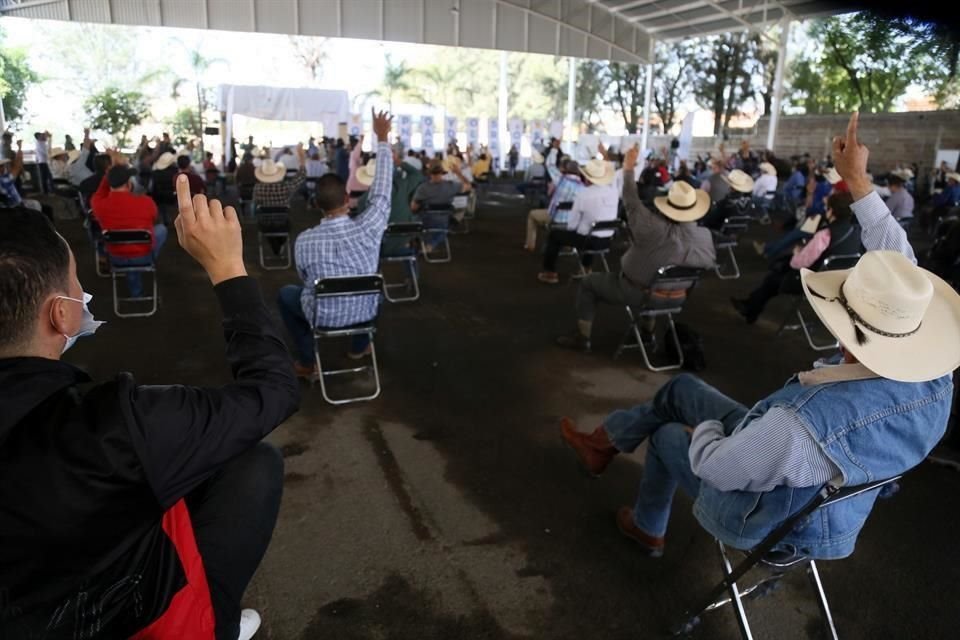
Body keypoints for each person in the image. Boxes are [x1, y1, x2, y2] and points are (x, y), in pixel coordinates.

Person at [0, 179, 300, 640]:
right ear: (60, 314)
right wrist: (226, 267)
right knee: (255, 459)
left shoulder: (101, 200)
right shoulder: (117, 424)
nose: (82, 292)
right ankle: (214, 625)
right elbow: (274, 390)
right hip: (127, 615)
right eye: (76, 281)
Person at [554, 147, 715, 351]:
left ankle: (582, 336)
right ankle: (647, 334)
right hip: (678, 298)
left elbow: (631, 200)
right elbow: (707, 265)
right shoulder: (705, 237)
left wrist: (628, 168)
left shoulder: (651, 227)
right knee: (655, 281)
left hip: (638, 292)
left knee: (588, 283)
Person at [277, 109, 394, 375]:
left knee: (286, 294)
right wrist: (382, 138)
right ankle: (359, 346)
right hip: (364, 311)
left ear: (316, 204)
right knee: (376, 290)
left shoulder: (305, 241)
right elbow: (384, 188)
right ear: (346, 200)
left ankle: (308, 362)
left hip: (321, 317)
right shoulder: (370, 226)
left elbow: (305, 278)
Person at [731, 191, 861, 323]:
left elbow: (798, 263)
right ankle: (750, 307)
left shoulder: (825, 234)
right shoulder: (857, 231)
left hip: (814, 282)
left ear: (832, 211)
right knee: (775, 276)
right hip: (838, 284)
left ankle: (750, 309)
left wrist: (797, 253)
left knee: (774, 278)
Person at [91, 149, 168, 295]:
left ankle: (135, 285)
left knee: (130, 240)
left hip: (115, 257)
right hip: (143, 256)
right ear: (128, 183)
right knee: (161, 229)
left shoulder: (98, 204)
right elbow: (153, 218)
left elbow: (100, 192)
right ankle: (137, 278)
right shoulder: (146, 202)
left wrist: (110, 173)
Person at [537, 158, 619, 286]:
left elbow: (572, 225)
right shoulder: (613, 192)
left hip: (588, 241)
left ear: (586, 177)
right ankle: (586, 267)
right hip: (607, 240)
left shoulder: (584, 194)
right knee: (591, 229)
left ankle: (550, 272)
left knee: (555, 235)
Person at [410, 158, 472, 252]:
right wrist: (458, 173)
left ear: (429, 173)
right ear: (442, 173)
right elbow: (468, 186)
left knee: (411, 218)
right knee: (445, 228)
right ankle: (430, 245)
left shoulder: (422, 188)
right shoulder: (451, 186)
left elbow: (413, 207)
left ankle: (414, 242)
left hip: (425, 221)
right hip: (442, 222)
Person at [524, 159, 584, 252]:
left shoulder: (561, 179)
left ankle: (530, 244)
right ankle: (568, 245)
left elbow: (550, 164)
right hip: (573, 221)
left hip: (556, 217)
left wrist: (554, 148)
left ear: (564, 169)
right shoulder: (583, 187)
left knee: (532, 215)